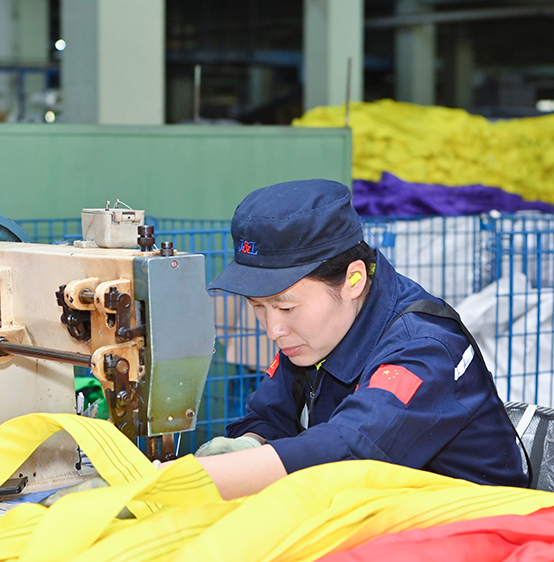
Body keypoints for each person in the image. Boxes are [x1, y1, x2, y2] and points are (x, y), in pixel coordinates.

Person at [190, 179, 528, 500]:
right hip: (383, 513)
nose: (273, 329)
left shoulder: (424, 349)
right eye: (258, 307)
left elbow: (352, 449)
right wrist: (249, 443)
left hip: (478, 523)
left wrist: (198, 479)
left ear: (354, 279)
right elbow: (269, 416)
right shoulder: (313, 338)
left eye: (286, 307)